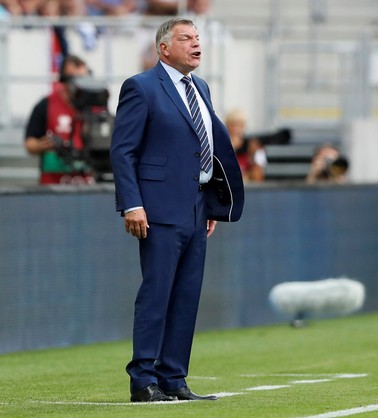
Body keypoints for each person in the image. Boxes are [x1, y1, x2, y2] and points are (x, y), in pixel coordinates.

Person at [109, 17, 244, 403]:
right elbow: (123, 150)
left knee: (186, 294)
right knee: (157, 291)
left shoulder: (200, 86)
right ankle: (143, 379)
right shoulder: (141, 87)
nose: (196, 44)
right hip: (158, 208)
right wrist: (132, 203)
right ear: (163, 48)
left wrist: (212, 200)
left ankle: (174, 377)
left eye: (198, 38)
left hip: (197, 206)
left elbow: (205, 148)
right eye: (186, 38)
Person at [24, 55, 95, 185]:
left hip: (89, 182)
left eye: (84, 77)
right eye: (74, 78)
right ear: (63, 79)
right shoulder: (46, 104)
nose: (80, 84)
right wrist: (42, 145)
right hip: (53, 185)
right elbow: (29, 143)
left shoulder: (96, 106)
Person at [225, 109, 267, 182]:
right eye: (232, 125)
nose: (235, 129)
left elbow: (258, 177)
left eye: (239, 125)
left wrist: (253, 155)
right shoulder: (222, 146)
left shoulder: (251, 146)